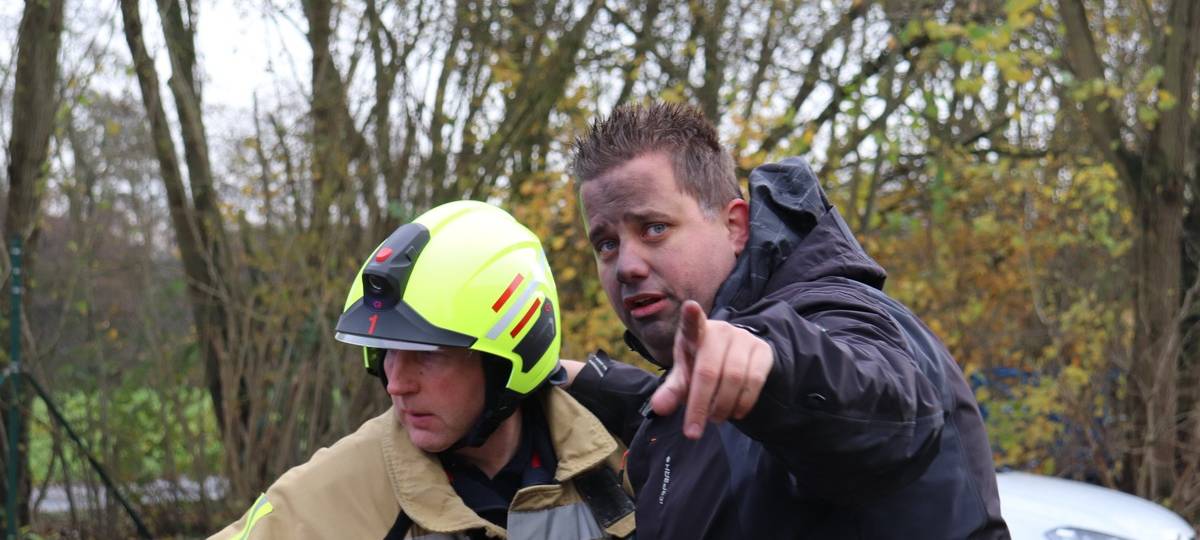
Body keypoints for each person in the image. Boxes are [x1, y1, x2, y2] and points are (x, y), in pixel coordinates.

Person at [561, 102, 1010, 539]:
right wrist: (574, 380)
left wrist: (774, 366)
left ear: (734, 226)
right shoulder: (712, 370)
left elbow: (892, 414)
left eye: (654, 228)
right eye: (606, 244)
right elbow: (716, 442)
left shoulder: (838, 313)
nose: (626, 266)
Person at [211, 201, 635, 539]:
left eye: (427, 354)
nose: (396, 383)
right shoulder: (340, 489)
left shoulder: (627, 458)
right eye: (386, 352)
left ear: (512, 353)